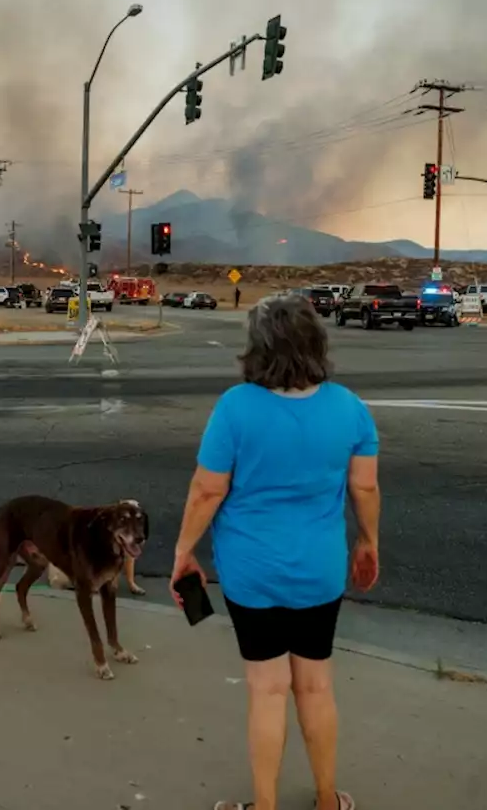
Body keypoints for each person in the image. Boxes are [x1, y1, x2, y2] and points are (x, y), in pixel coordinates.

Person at [168, 293, 380, 810]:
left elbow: (207, 490)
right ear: (316, 341)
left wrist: (183, 553)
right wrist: (369, 541)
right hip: (320, 571)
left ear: (257, 347)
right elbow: (365, 490)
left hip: (252, 573)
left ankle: (264, 807)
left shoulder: (236, 408)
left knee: (267, 690)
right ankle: (328, 800)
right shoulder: (349, 408)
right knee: (315, 687)